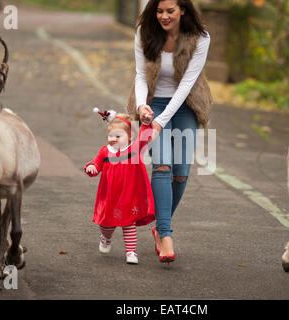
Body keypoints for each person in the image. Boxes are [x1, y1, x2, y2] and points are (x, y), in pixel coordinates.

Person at [127, 0, 213, 264]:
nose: (164, 16)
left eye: (170, 11)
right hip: (154, 103)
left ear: (183, 10)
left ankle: (159, 225)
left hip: (186, 104)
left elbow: (187, 84)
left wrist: (161, 121)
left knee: (181, 173)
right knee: (162, 166)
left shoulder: (200, 37)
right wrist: (142, 106)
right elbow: (141, 75)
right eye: (160, 11)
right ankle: (165, 234)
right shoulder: (145, 32)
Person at [84, 109, 155, 264]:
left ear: (129, 137)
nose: (113, 139)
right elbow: (96, 163)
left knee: (128, 223)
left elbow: (145, 137)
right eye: (110, 136)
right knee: (106, 224)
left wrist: (147, 124)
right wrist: (92, 167)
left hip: (128, 196)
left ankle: (131, 252)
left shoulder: (134, 150)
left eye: (118, 136)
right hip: (109, 196)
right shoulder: (105, 151)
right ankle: (106, 237)